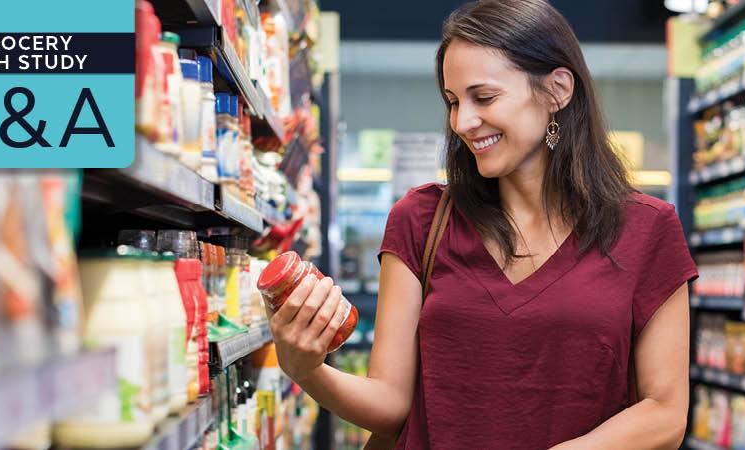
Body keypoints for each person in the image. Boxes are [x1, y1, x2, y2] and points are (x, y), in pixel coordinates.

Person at [267, 1, 697, 448]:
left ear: (557, 90)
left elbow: (665, 412)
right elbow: (391, 405)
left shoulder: (647, 229)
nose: (462, 122)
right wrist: (306, 369)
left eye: (484, 97)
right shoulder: (421, 220)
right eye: (453, 102)